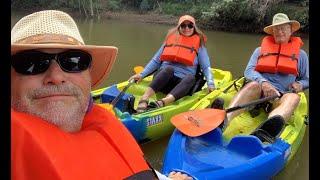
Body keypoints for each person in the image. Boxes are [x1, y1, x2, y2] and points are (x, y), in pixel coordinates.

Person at [11, 10, 192, 180]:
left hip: (186, 80)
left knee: (189, 77)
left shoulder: (198, 48)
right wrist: (143, 74)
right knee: (166, 70)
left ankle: (166, 100)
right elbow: (155, 62)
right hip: (167, 74)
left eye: (74, 61)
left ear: (88, 75)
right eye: (31, 63)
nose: (56, 77)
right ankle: (147, 99)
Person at [222, 13, 309, 135]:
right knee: (253, 85)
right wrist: (264, 83)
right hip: (258, 93)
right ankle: (224, 120)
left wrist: (300, 84)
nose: (280, 32)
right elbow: (249, 71)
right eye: (276, 29)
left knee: (294, 97)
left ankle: (264, 132)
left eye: (283, 28)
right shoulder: (259, 50)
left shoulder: (301, 55)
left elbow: (307, 80)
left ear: (290, 30)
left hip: (280, 97)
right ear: (272, 32)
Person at [129, 15, 215, 113]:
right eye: (183, 26)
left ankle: (163, 102)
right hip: (164, 81)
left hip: (182, 86)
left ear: (194, 28)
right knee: (168, 69)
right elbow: (156, 61)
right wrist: (142, 74)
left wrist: (210, 83)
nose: (187, 28)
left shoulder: (199, 45)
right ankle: (144, 98)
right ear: (179, 27)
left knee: (191, 77)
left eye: (190, 26)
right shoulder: (170, 40)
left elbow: (206, 67)